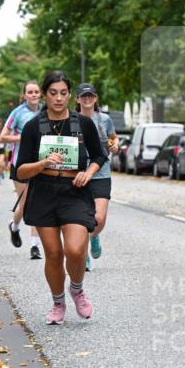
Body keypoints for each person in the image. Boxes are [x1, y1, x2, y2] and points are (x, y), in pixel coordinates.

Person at [15, 71, 107, 325]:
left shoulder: (83, 123)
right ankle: (58, 303)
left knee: (75, 250)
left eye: (63, 93)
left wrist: (88, 173)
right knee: (54, 254)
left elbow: (99, 156)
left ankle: (76, 289)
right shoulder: (33, 127)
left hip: (74, 192)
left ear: (70, 94)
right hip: (43, 192)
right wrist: (43, 162)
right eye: (53, 93)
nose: (58, 98)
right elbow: (20, 170)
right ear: (45, 95)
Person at [75, 83, 119, 272]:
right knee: (82, 219)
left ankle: (94, 237)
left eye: (90, 96)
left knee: (99, 219)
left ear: (95, 98)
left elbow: (113, 138)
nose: (87, 99)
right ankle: (83, 257)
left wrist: (115, 145)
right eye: (83, 96)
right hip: (78, 175)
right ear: (77, 99)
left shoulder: (105, 119)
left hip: (101, 173)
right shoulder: (71, 120)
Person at [1, 81, 44, 259]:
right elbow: (2, 137)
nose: (33, 95)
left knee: (36, 205)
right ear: (25, 95)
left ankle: (34, 246)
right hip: (20, 164)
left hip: (41, 164)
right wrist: (23, 138)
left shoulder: (46, 111)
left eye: (36, 92)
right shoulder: (17, 112)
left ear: (40, 94)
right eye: (30, 92)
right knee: (26, 205)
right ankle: (15, 226)